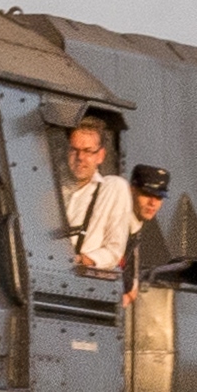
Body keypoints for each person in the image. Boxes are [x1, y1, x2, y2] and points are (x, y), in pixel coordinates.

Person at [58, 114, 150, 283]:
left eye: (88, 151)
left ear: (100, 156)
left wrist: (81, 260)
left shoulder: (114, 188)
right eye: (74, 150)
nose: (80, 157)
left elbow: (114, 251)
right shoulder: (54, 189)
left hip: (83, 282)